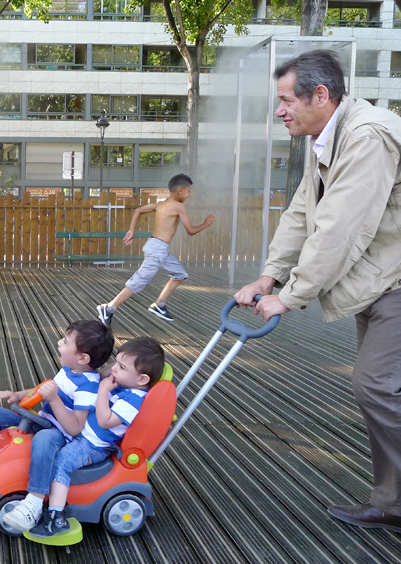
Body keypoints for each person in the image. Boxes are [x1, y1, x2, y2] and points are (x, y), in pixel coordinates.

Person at [234, 50, 401, 534]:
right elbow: (302, 212)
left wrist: (291, 295)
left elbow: (338, 227)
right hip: (380, 278)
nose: (280, 110)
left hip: (395, 281)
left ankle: (394, 501)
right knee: (384, 389)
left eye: (287, 100)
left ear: (320, 96)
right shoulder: (327, 138)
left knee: (374, 386)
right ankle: (392, 500)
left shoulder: (367, 137)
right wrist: (270, 274)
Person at [0, 320, 114, 532]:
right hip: (43, 420)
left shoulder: (88, 387)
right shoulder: (68, 370)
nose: (59, 343)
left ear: (83, 358)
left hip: (59, 434)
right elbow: (43, 389)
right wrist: (17, 395)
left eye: (65, 341)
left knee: (44, 438)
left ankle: (34, 502)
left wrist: (54, 400)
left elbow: (75, 428)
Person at [28, 336, 165, 538]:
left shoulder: (134, 399)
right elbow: (104, 373)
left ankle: (56, 517)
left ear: (142, 379)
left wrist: (103, 390)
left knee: (62, 462)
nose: (114, 369)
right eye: (116, 363)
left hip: (94, 445)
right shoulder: (126, 384)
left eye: (122, 367)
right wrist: (116, 367)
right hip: (85, 437)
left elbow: (105, 421)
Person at [96, 174, 215, 324]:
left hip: (158, 248)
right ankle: (109, 308)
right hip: (157, 249)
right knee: (138, 281)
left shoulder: (161, 204)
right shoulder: (179, 206)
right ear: (180, 190)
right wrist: (206, 223)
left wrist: (131, 230)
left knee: (180, 275)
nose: (189, 195)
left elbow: (138, 210)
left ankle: (159, 305)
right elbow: (190, 230)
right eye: (188, 191)